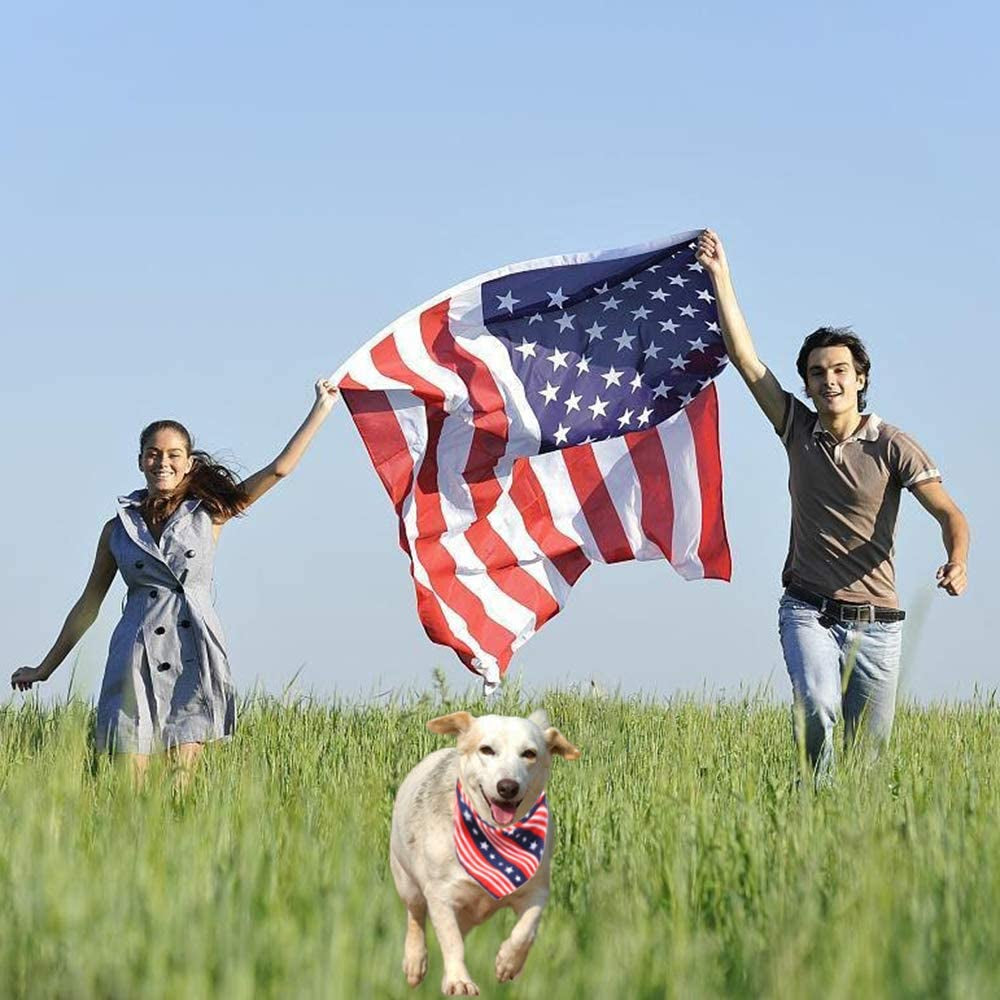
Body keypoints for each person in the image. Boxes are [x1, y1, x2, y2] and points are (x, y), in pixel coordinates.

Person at [695, 230, 969, 782]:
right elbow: (747, 361)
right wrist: (720, 276)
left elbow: (949, 514)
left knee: (868, 766)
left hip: (879, 625)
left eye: (840, 370)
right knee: (818, 709)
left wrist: (957, 559)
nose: (829, 380)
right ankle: (812, 804)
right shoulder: (796, 428)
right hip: (809, 610)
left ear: (860, 378)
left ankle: (844, 836)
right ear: (808, 383)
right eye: (817, 373)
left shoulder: (892, 444)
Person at [11, 378, 339, 783]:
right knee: (129, 788)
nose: (162, 462)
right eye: (153, 454)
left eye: (173, 454)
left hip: (192, 654)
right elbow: (88, 605)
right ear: (140, 461)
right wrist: (45, 667)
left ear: (188, 463)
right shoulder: (117, 528)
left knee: (180, 788)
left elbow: (279, 469)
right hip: (134, 658)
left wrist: (321, 408)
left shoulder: (211, 513)